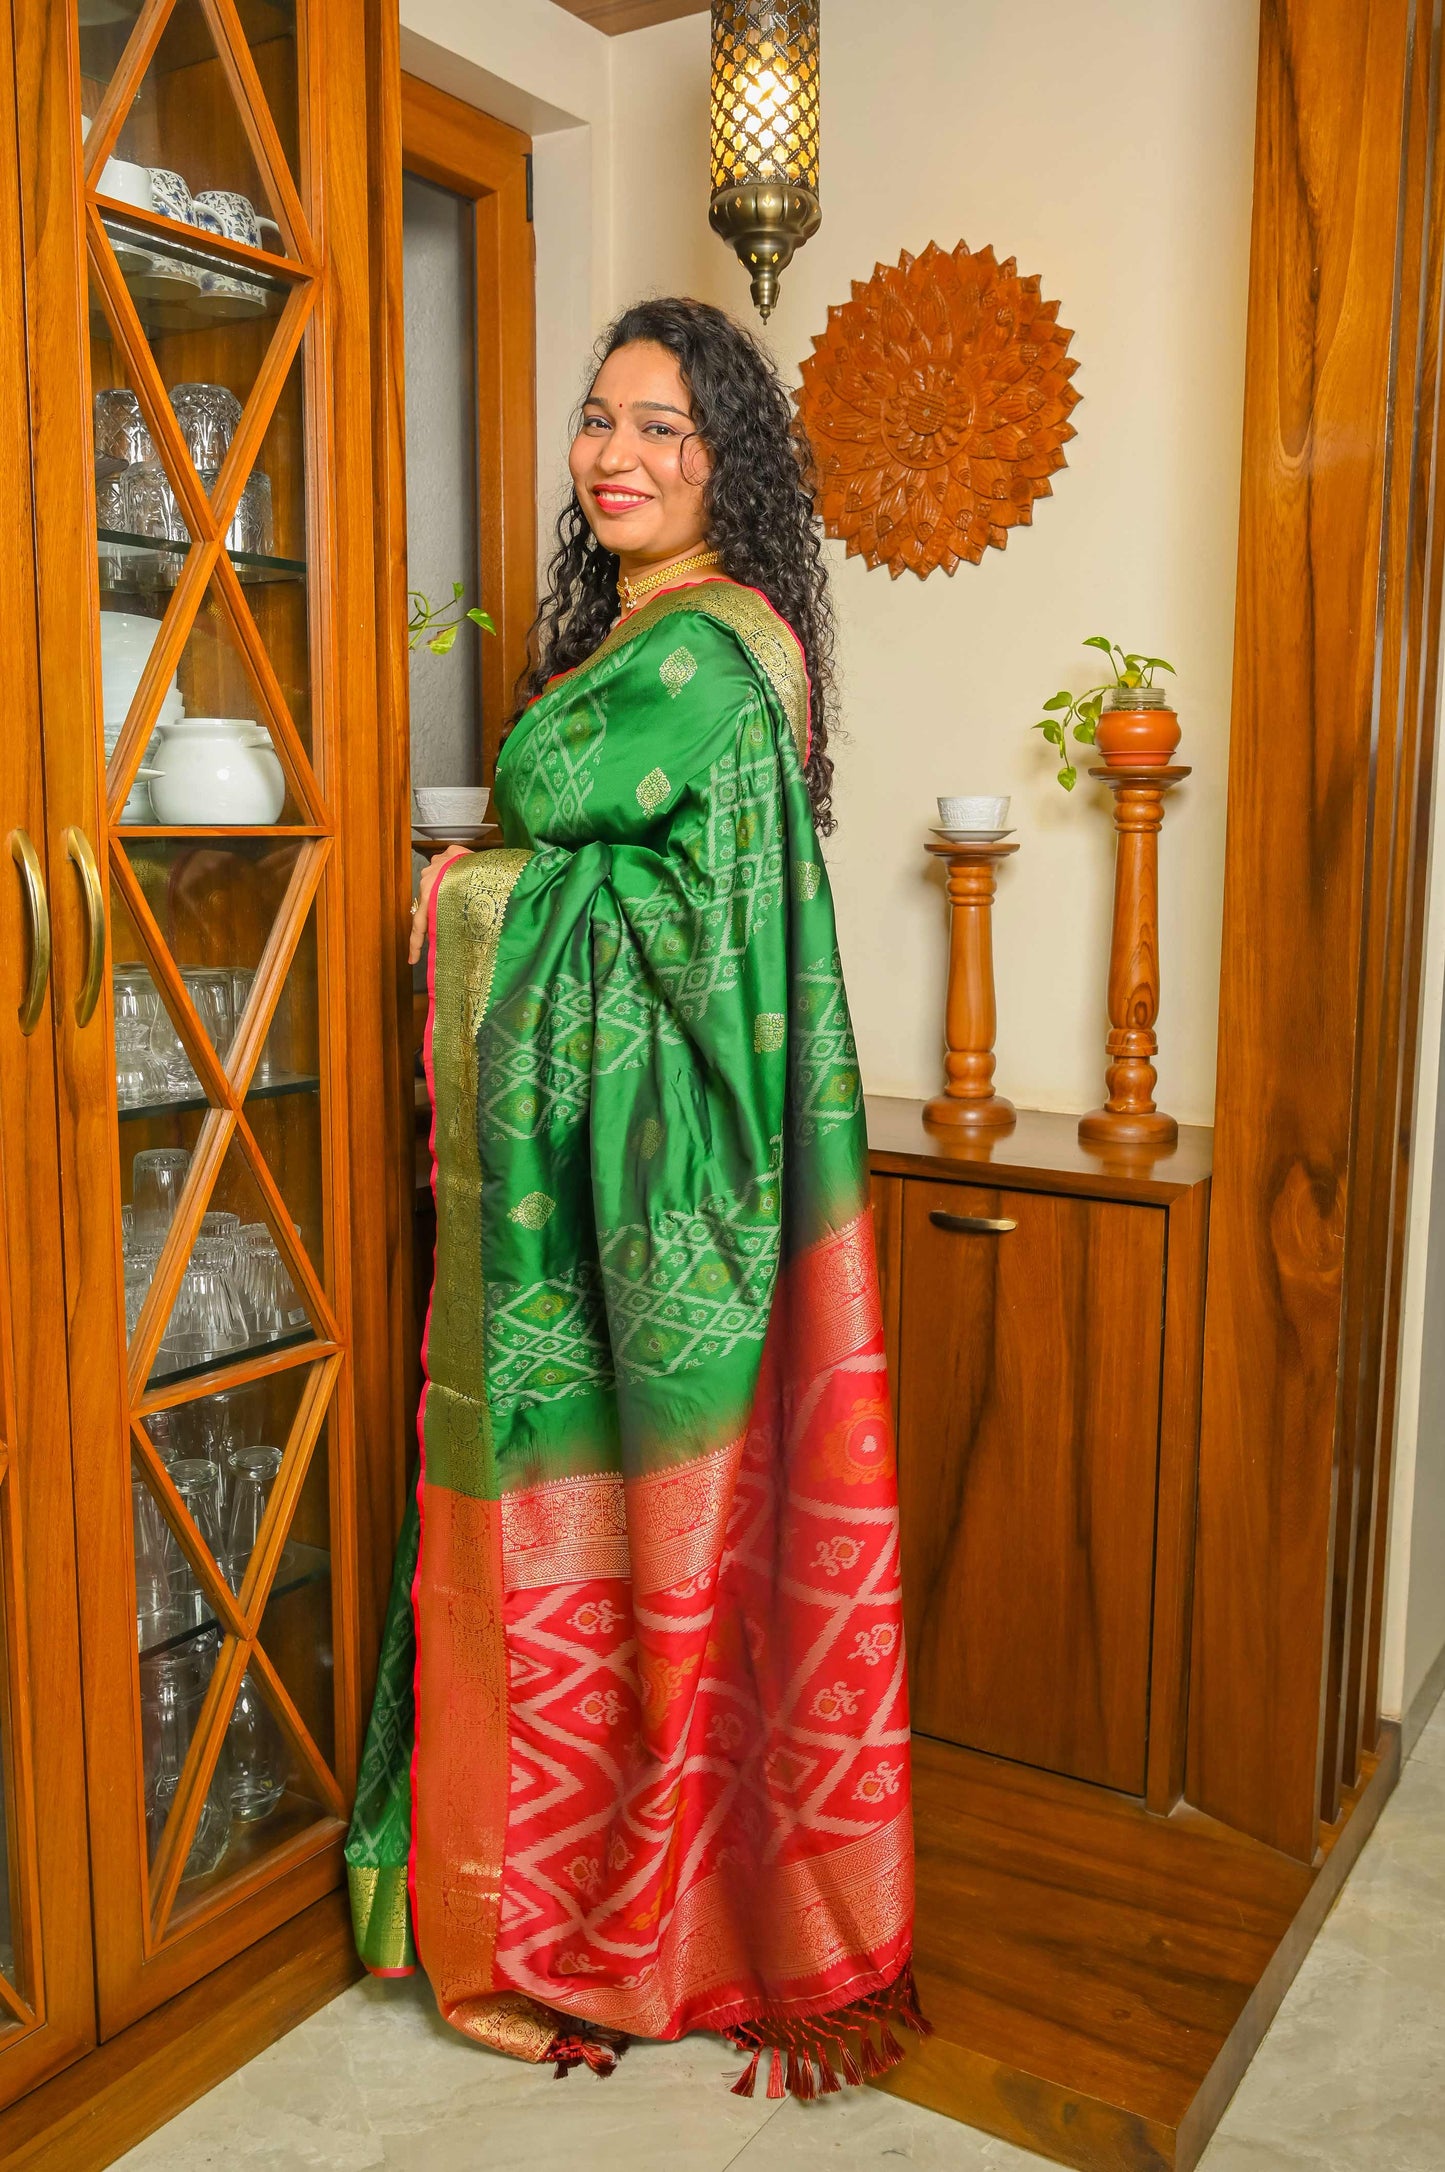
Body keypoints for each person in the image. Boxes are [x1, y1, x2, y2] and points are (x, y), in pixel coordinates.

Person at [345, 297, 923, 2098]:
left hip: (659, 1190)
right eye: (599, 421)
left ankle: (615, 1912)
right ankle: (607, 1889)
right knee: (639, 1554)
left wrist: (467, 901)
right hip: (630, 1182)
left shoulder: (702, 659)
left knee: (642, 1548)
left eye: (663, 428)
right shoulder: (669, 640)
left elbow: (566, 822)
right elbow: (612, 864)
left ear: (727, 464)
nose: (614, 455)